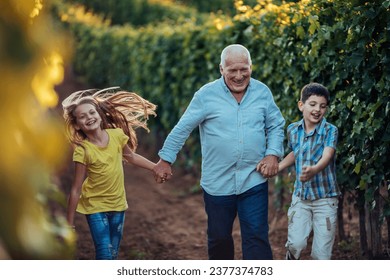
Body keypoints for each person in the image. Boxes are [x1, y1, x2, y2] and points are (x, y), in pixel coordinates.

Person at [153, 44, 285, 260]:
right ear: (221, 69)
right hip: (217, 183)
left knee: (256, 237)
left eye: (244, 69)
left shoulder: (262, 92)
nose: (239, 75)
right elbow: (183, 128)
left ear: (251, 67)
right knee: (220, 239)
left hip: (254, 179)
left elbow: (275, 125)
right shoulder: (206, 95)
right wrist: (165, 159)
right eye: (232, 70)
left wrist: (273, 154)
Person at [62, 87, 157, 260]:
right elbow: (75, 189)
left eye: (92, 113)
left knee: (113, 254)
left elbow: (132, 157)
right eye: (82, 116)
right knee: (104, 252)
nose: (89, 117)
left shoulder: (117, 136)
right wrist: (69, 222)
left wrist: (155, 167)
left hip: (118, 204)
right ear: (77, 124)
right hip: (95, 206)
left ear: (99, 115)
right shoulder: (83, 150)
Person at [277, 82, 340, 260]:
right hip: (301, 197)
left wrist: (314, 169)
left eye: (322, 106)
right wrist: (279, 166)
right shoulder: (293, 130)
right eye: (312, 104)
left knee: (321, 254)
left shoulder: (330, 130)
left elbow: (327, 155)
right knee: (296, 243)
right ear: (301, 105)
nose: (317, 110)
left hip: (325, 199)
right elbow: (295, 153)